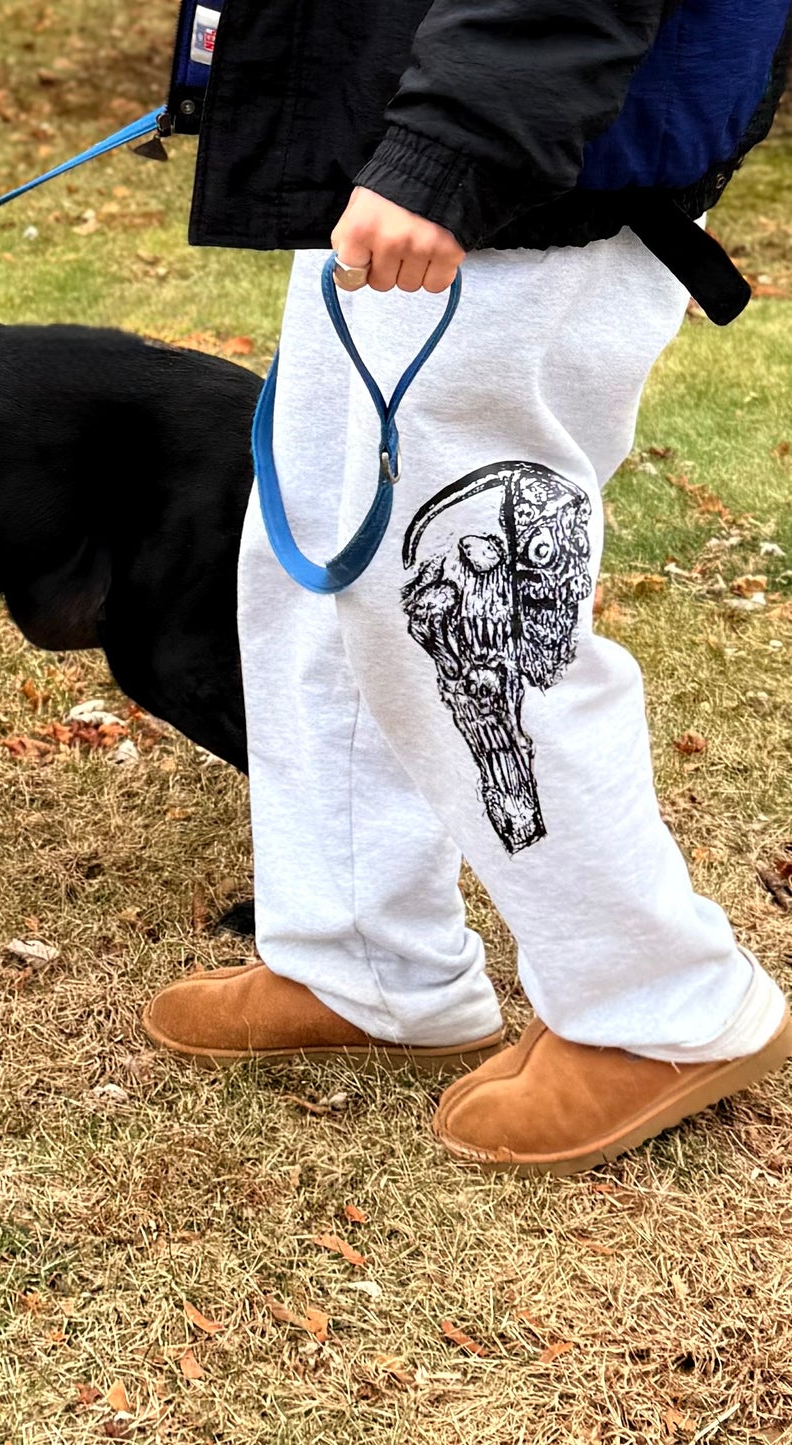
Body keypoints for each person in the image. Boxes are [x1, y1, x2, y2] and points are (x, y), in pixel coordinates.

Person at [141, 0, 792, 1174]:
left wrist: (459, 140)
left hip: (535, 155)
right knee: (314, 553)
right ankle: (362, 954)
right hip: (409, 112)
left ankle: (658, 1004)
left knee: (455, 606)